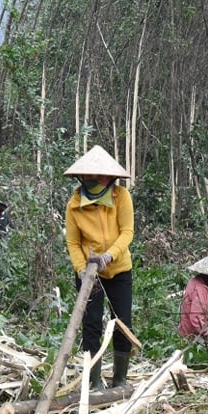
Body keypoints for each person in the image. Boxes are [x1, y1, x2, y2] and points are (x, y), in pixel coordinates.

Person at [64, 145, 134, 390]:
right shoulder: (74, 205)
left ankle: (120, 380)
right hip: (88, 272)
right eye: (94, 177)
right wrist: (82, 270)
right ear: (84, 177)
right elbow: (73, 242)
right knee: (92, 324)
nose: (99, 180)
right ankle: (94, 382)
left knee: (122, 322)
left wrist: (108, 256)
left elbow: (127, 232)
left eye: (103, 176)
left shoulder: (121, 196)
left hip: (119, 269)